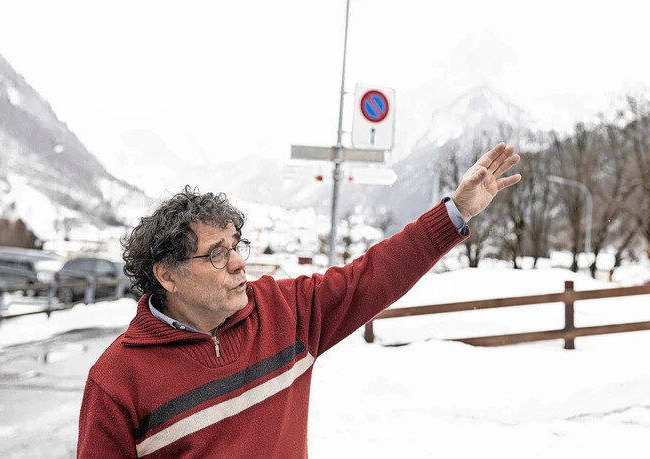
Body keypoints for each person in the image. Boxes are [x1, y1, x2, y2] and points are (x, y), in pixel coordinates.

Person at [77, 143, 521, 458]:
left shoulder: (287, 312)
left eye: (237, 245)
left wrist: (455, 213)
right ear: (167, 275)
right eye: (217, 254)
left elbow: (374, 275)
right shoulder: (117, 381)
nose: (237, 264)